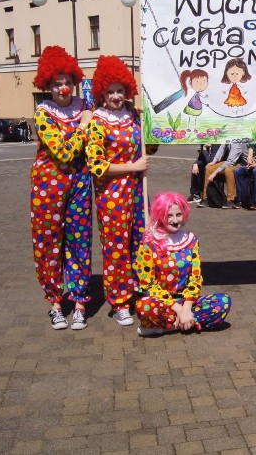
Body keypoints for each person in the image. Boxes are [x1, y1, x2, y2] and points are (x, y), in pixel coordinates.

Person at [29, 45, 93, 331]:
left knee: (80, 241)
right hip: (48, 185)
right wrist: (83, 127)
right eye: (57, 83)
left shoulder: (85, 107)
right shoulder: (43, 114)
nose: (63, 87)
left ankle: (79, 302)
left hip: (80, 182)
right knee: (49, 244)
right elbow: (64, 153)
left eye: (67, 82)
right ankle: (56, 303)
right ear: (48, 85)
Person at [86, 55, 149, 327]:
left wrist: (152, 130)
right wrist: (133, 165)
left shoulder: (133, 114)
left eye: (120, 90)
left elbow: (147, 148)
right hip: (112, 195)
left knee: (140, 241)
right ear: (102, 92)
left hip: (136, 191)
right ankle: (119, 302)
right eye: (110, 91)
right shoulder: (98, 121)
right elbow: (95, 165)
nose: (115, 96)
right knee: (116, 248)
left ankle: (138, 290)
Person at [134, 192, 232, 336]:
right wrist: (178, 309)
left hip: (188, 302)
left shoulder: (191, 240)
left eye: (178, 215)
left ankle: (170, 326)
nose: (175, 220)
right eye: (169, 216)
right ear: (160, 215)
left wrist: (186, 308)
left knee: (223, 301)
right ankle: (187, 322)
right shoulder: (149, 243)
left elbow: (195, 277)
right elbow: (148, 284)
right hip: (162, 303)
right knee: (144, 306)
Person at [199, 141, 248, 208]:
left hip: (243, 164)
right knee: (209, 168)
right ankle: (206, 198)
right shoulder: (227, 139)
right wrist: (214, 161)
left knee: (229, 170)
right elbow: (221, 150)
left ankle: (230, 199)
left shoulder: (237, 142)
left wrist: (215, 172)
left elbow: (230, 162)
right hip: (232, 162)